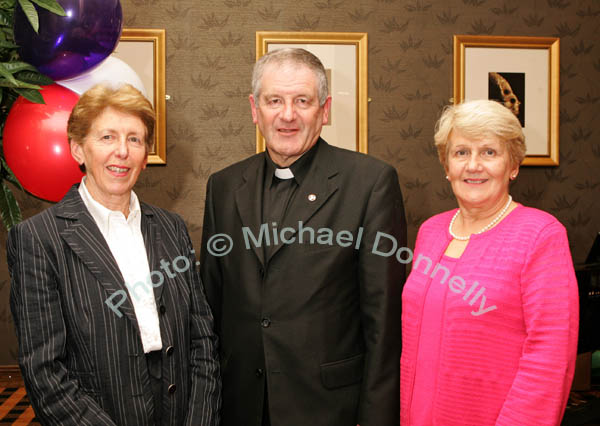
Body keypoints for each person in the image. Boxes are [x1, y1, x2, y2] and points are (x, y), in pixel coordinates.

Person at [200, 48, 405, 426]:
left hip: (330, 409)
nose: (287, 115)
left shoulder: (370, 183)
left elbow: (385, 321)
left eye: (302, 101)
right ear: (254, 108)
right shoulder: (224, 186)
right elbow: (211, 307)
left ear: (324, 110)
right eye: (274, 100)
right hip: (240, 405)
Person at [7, 83, 220, 426]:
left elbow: (202, 341)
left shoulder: (171, 228)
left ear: (145, 154)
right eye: (107, 137)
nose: (122, 151)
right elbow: (44, 372)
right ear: (78, 149)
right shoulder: (38, 238)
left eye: (134, 139)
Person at [400, 99, 579, 425]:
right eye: (461, 152)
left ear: (513, 165)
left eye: (489, 152)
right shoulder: (431, 231)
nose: (473, 165)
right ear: (446, 165)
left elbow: (550, 358)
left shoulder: (541, 235)